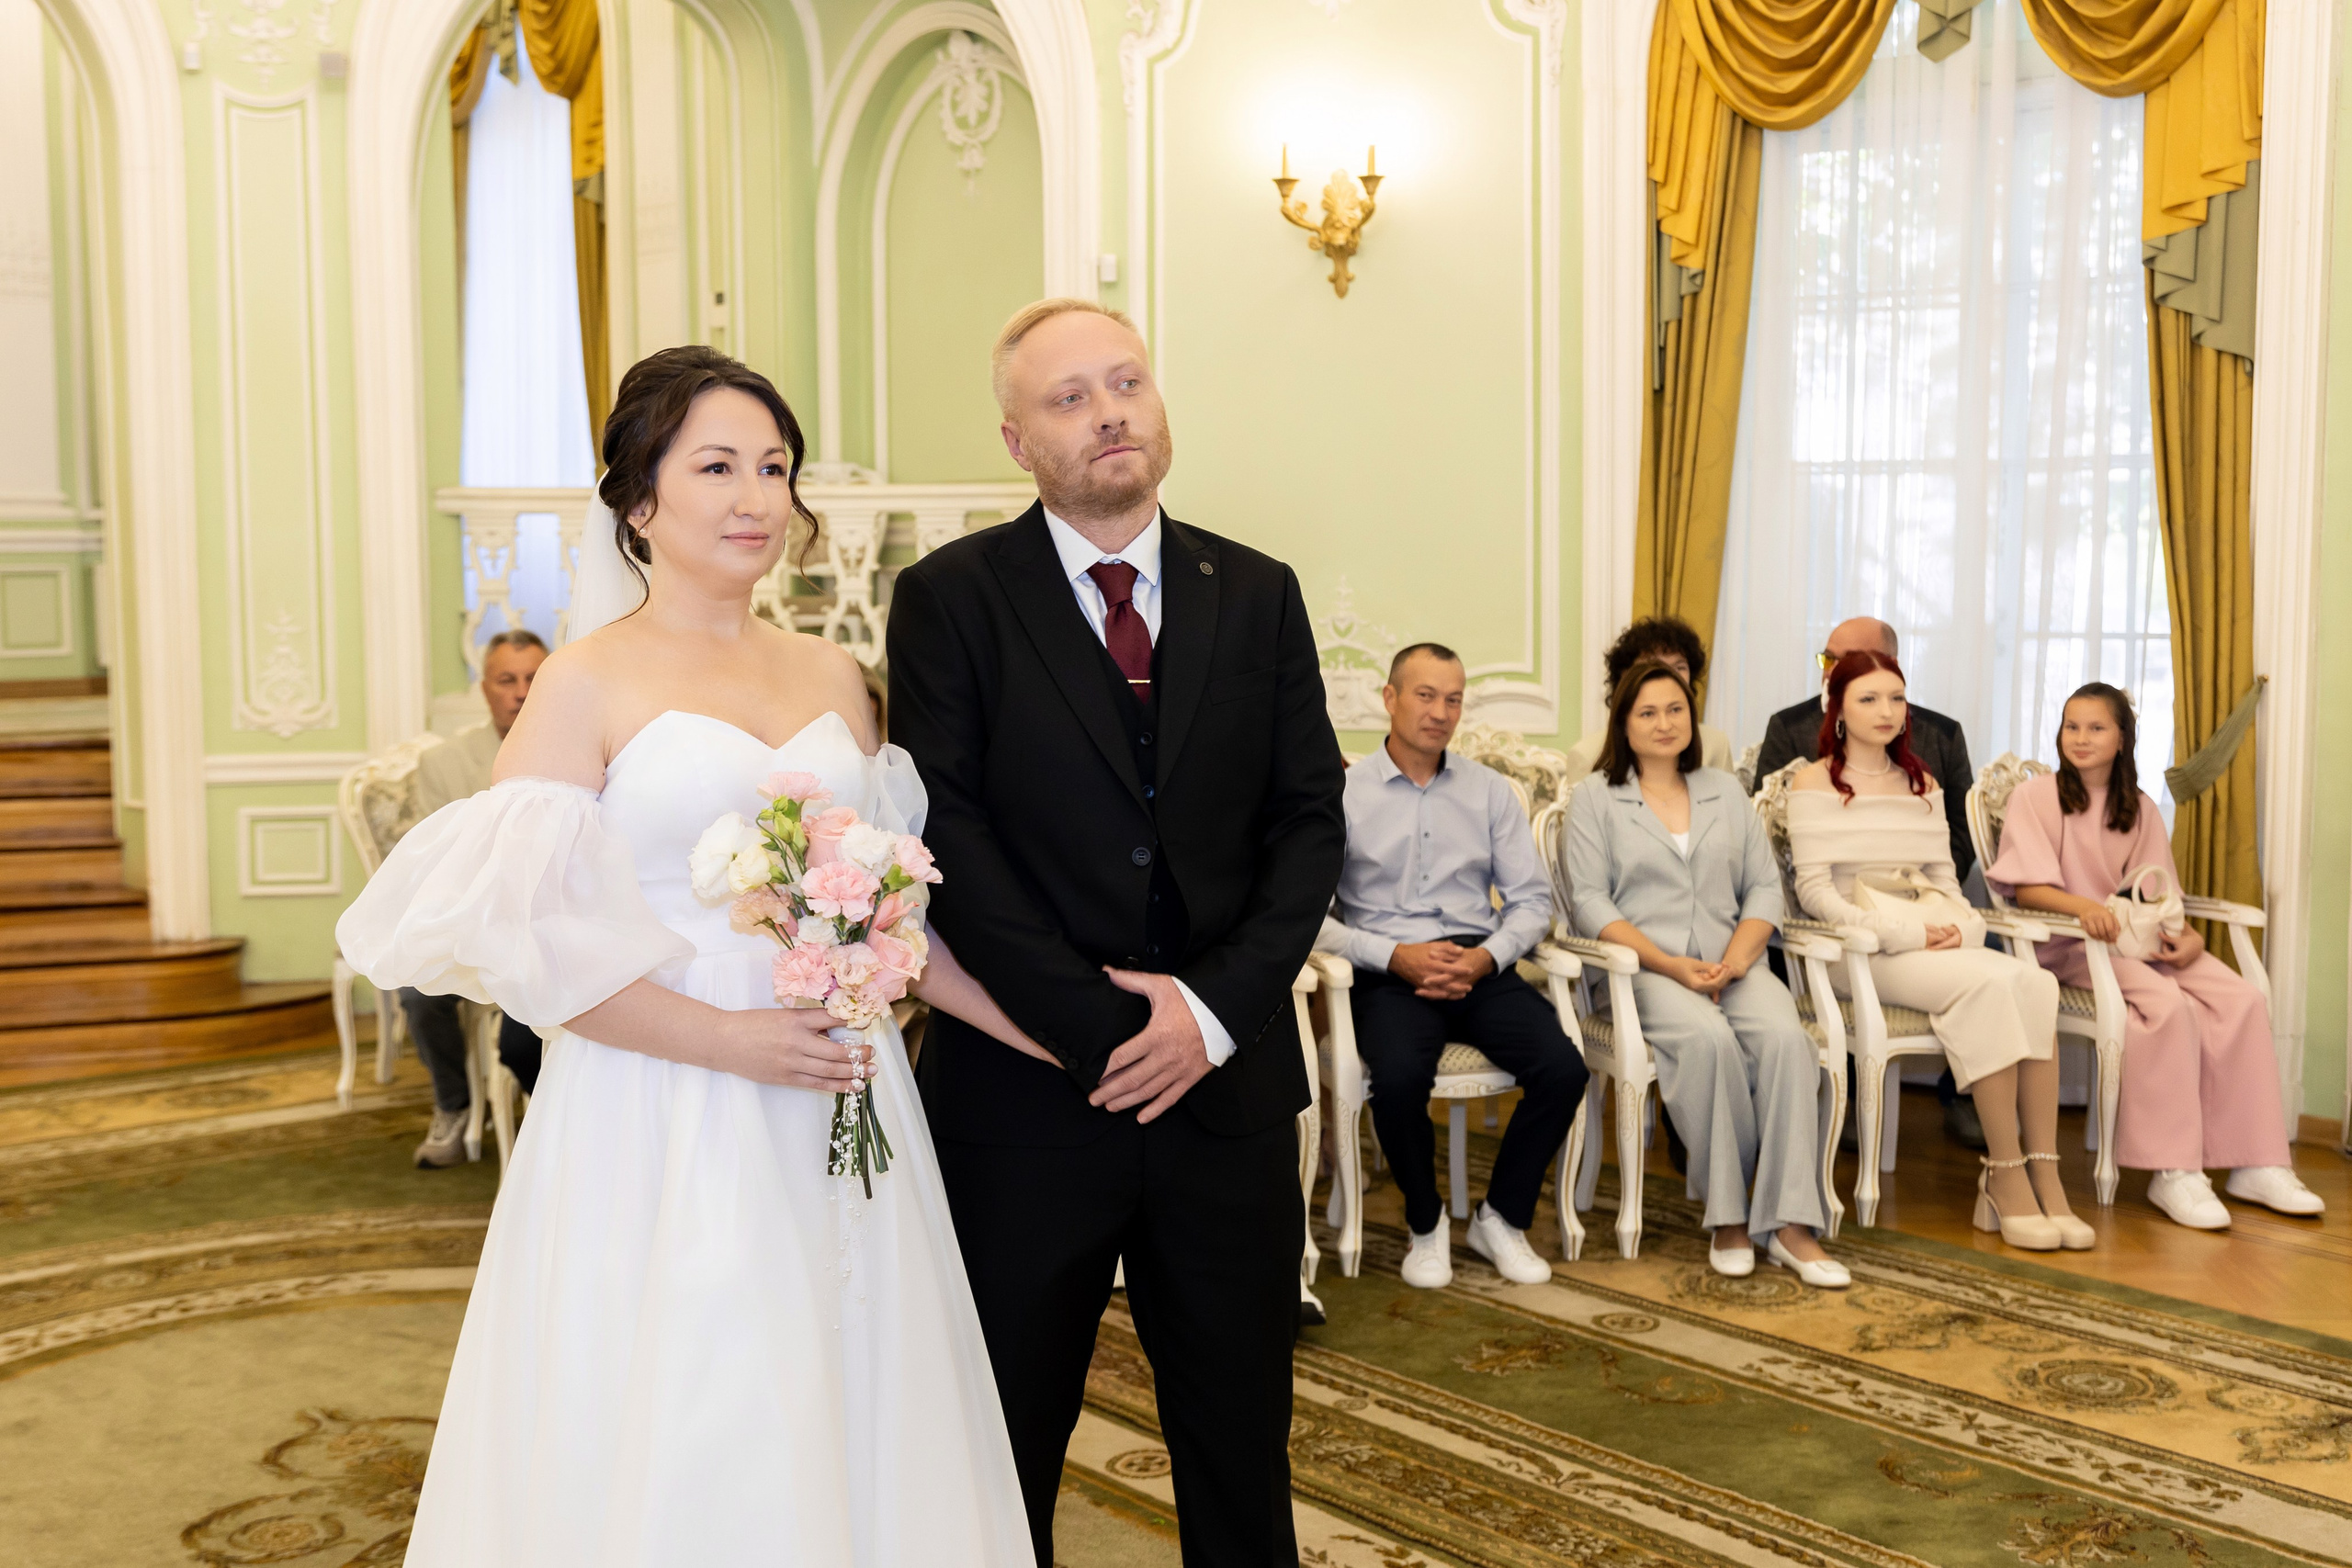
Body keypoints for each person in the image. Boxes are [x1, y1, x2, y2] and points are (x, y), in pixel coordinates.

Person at [336, 346, 1038, 1565]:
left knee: (855, 1370)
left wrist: (1048, 1029)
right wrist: (724, 1037)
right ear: (641, 502)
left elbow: (892, 912)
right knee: (697, 1388)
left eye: (774, 465)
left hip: (836, 1087)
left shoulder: (834, 675)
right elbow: (531, 941)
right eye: (717, 465)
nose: (755, 495)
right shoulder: (583, 678)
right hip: (663, 1097)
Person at [888, 298, 1345, 1568]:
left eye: (1126, 382)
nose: (1110, 413)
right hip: (1028, 1099)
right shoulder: (949, 600)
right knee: (1005, 1440)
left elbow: (1309, 823)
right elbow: (954, 840)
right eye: (1070, 397)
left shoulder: (1257, 591)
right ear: (1016, 440)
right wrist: (1099, 1029)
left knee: (1241, 1443)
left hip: (1226, 1088)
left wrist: (1200, 1015)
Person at [1986, 684, 2324, 1228]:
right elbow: (2025, 889)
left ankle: (2255, 1161)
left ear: (2123, 738)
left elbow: (2158, 894)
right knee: (2168, 1007)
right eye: (2071, 726)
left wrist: (2185, 936)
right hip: (2070, 948)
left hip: (2136, 945)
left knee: (2240, 997)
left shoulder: (2139, 808)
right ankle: (2173, 1171)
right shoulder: (2037, 797)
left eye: (2096, 728)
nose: (2080, 738)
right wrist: (2082, 909)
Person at [1788, 650, 2093, 1253]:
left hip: (1930, 935)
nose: (1887, 710)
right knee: (1983, 986)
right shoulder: (1812, 780)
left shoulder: (1922, 780)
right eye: (1869, 698)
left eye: (1896, 697)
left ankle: (2045, 1175)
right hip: (1859, 952)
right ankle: (2004, 1175)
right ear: (1838, 707)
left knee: (2035, 984)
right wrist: (1900, 934)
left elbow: (1946, 879)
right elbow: (1814, 890)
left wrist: (1962, 927)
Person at [1564, 662, 1847, 1287]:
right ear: (1623, 722)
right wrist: (1670, 964)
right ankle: (1731, 1217)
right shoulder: (1594, 799)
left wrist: (1738, 961)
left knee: (1786, 1041)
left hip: (1733, 962)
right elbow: (1590, 901)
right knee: (1709, 1042)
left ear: (1692, 719)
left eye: (1675, 709)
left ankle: (1793, 1225)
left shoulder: (1725, 790)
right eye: (1648, 712)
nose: (1665, 723)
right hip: (1644, 969)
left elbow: (1763, 889)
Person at [1317, 642, 1587, 1291]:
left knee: (1563, 1067)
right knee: (1402, 1076)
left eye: (1454, 698)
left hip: (1476, 959)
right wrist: (1394, 957)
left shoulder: (1491, 791)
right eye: (1425, 694)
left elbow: (1529, 901)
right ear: (1390, 698)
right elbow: (1311, 918)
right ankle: (1426, 1220)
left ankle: (1501, 1216)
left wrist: (1484, 956)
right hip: (1386, 968)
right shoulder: (1342, 794)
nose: (1440, 712)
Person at [1752, 615, 1985, 1152]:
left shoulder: (1940, 734)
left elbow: (1958, 837)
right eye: (1827, 660)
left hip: (1923, 900)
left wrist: (1922, 905)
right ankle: (1830, 1099)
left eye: (1846, 661)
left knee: (2005, 962)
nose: (1832, 671)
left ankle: (1967, 1095)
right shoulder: (1788, 727)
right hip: (1834, 914)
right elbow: (1769, 838)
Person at [402, 628, 553, 1168]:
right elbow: (442, 862)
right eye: (506, 680)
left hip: (546, 924)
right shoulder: (443, 763)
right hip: (468, 917)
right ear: (484, 689)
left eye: (534, 679)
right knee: (418, 993)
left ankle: (551, 1119)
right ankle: (455, 1105)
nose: (520, 691)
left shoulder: (575, 747)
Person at [1561, 616, 1736, 779]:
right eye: (1653, 666)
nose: (1667, 676)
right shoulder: (1587, 755)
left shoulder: (1716, 745)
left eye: (1679, 667)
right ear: (1625, 678)